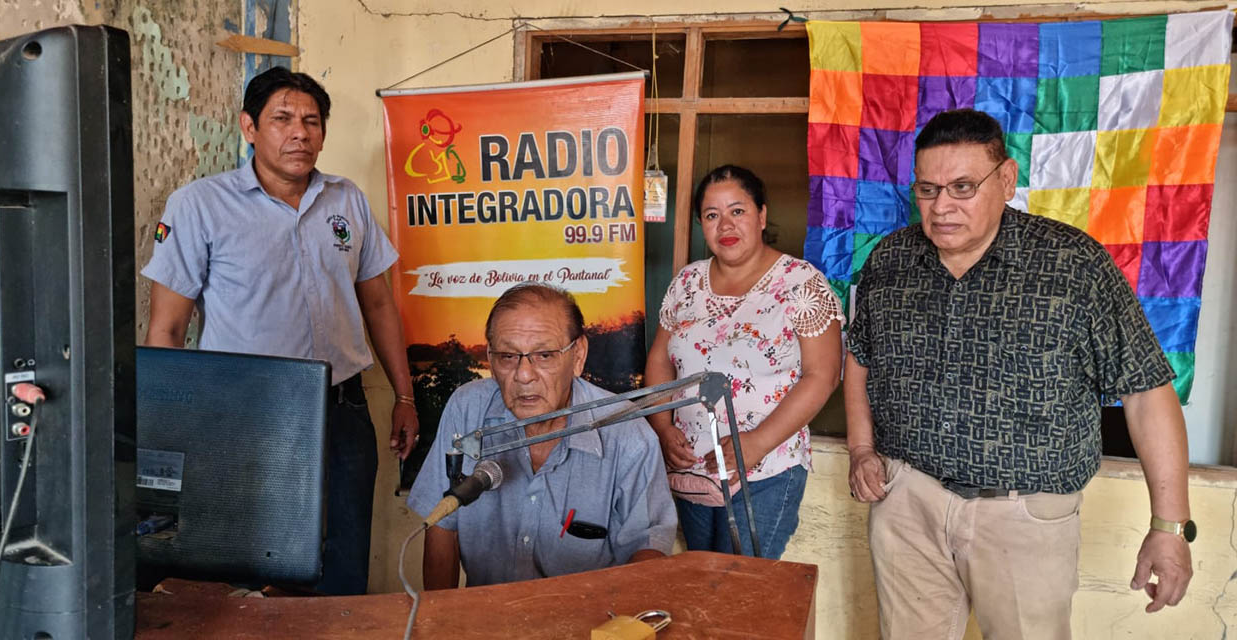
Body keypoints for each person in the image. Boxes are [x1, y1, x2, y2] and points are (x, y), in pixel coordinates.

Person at [845, 108, 1193, 639]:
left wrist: (1169, 528)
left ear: (1006, 179)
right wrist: (862, 449)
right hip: (908, 503)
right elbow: (860, 358)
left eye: (963, 187)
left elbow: (1145, 390)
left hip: (1025, 517)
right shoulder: (890, 261)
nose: (942, 207)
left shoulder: (1072, 265)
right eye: (928, 189)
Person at [141, 66, 419, 595]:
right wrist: (174, 436)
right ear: (249, 127)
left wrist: (404, 396)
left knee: (342, 557)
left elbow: (379, 303)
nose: (300, 133)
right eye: (283, 119)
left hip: (342, 410)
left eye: (312, 121)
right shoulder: (199, 206)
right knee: (244, 562)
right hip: (241, 415)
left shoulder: (346, 200)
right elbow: (167, 330)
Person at [407, 284, 676, 589]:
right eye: (508, 357)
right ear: (491, 359)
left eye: (544, 355)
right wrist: (439, 623)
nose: (523, 375)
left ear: (578, 356)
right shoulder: (468, 409)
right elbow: (443, 526)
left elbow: (648, 549)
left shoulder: (626, 434)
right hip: (487, 616)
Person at [644, 165, 843, 558]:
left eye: (738, 211)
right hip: (691, 468)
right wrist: (663, 428)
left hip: (766, 470)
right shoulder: (687, 282)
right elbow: (660, 361)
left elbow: (823, 375)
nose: (725, 225)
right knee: (703, 582)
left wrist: (756, 443)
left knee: (746, 593)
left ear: (762, 215)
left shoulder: (799, 282)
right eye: (712, 215)